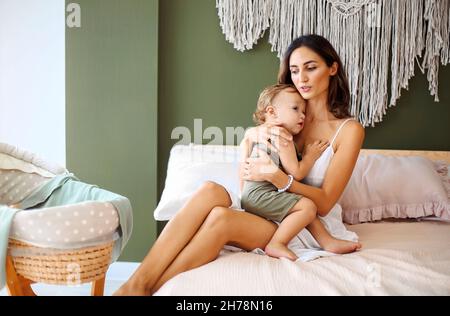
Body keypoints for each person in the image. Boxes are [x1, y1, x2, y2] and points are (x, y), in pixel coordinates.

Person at [114, 34, 364, 296]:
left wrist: (280, 179)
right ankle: (135, 285)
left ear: (332, 68)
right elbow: (247, 184)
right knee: (211, 190)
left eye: (311, 68)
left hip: (304, 223)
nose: (301, 78)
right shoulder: (282, 120)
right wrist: (248, 140)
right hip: (265, 209)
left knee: (222, 219)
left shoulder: (349, 131)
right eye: (294, 70)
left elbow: (323, 204)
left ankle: (143, 288)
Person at [241, 83, 350, 261]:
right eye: (295, 109)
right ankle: (277, 243)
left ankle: (327, 241)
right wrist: (310, 156)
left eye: (304, 111)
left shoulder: (261, 134)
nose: (302, 116)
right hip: (260, 195)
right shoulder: (282, 136)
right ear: (272, 112)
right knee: (307, 206)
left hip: (251, 196)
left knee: (301, 204)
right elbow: (297, 173)